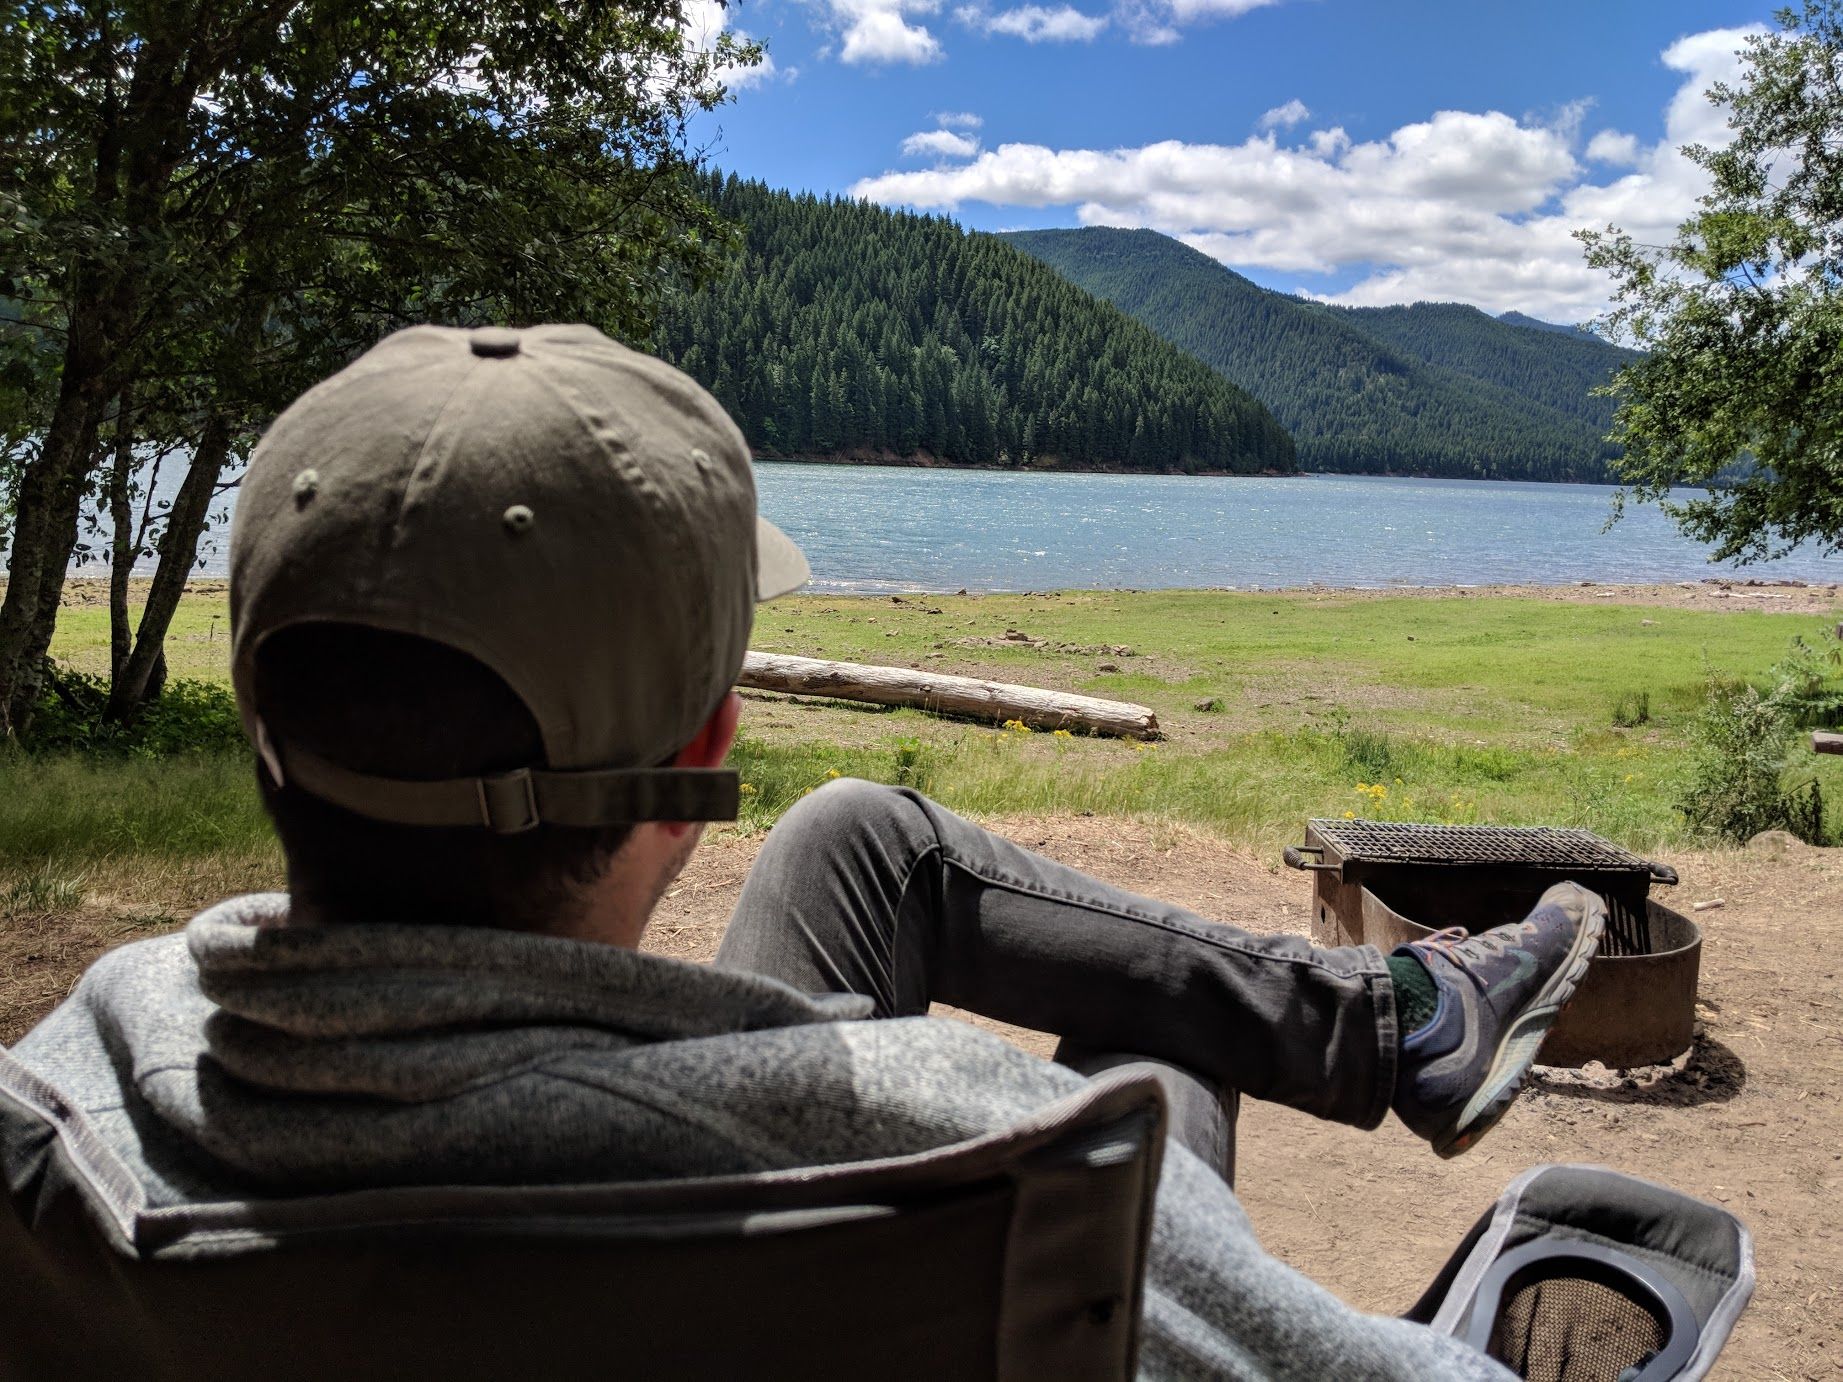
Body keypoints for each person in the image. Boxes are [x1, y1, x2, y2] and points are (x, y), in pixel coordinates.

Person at [9, 324, 1605, 1379]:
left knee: (862, 838)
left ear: (260, 722)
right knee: (1153, 1046)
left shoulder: (72, 1085)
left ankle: (1393, 1024)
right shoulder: (975, 1159)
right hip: (738, 1216)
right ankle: (1384, 1023)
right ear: (703, 754)